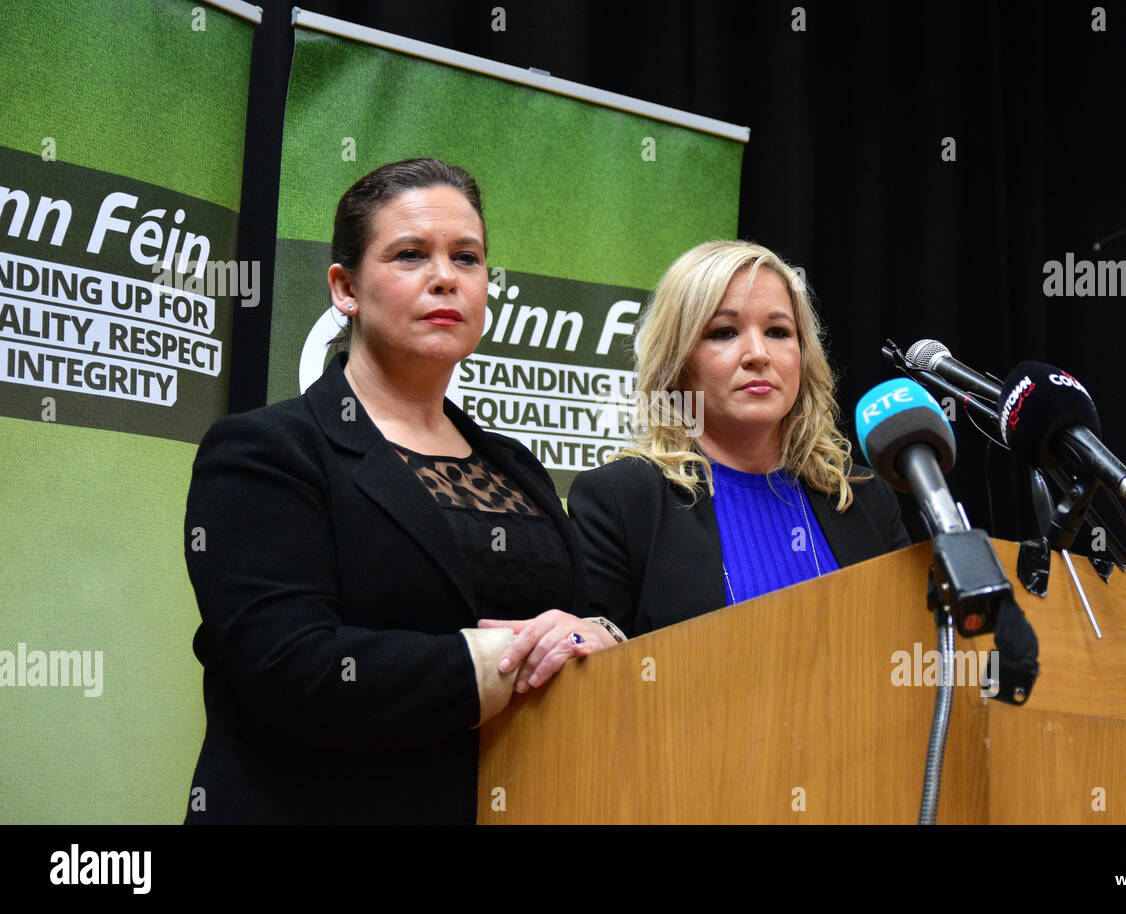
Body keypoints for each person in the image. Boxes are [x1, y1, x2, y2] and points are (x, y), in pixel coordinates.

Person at [182, 158, 623, 824]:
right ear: (345, 288)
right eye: (411, 254)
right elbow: (292, 668)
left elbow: (570, 627)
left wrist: (595, 640)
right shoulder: (265, 452)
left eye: (467, 258)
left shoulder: (518, 469)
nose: (445, 277)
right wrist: (502, 660)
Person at [567, 240, 911, 637]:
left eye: (778, 331)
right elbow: (596, 678)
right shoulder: (619, 499)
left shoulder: (862, 495)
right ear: (677, 364)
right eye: (725, 332)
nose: (757, 354)